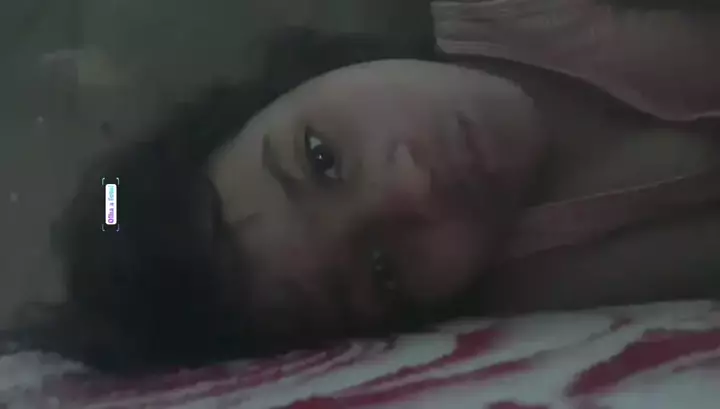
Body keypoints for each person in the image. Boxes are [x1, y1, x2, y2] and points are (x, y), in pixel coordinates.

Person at [20, 0, 720, 373]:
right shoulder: (537, 292)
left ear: (300, 81)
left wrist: (109, 194)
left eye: (322, 158)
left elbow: (111, 198)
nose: (413, 187)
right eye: (383, 271)